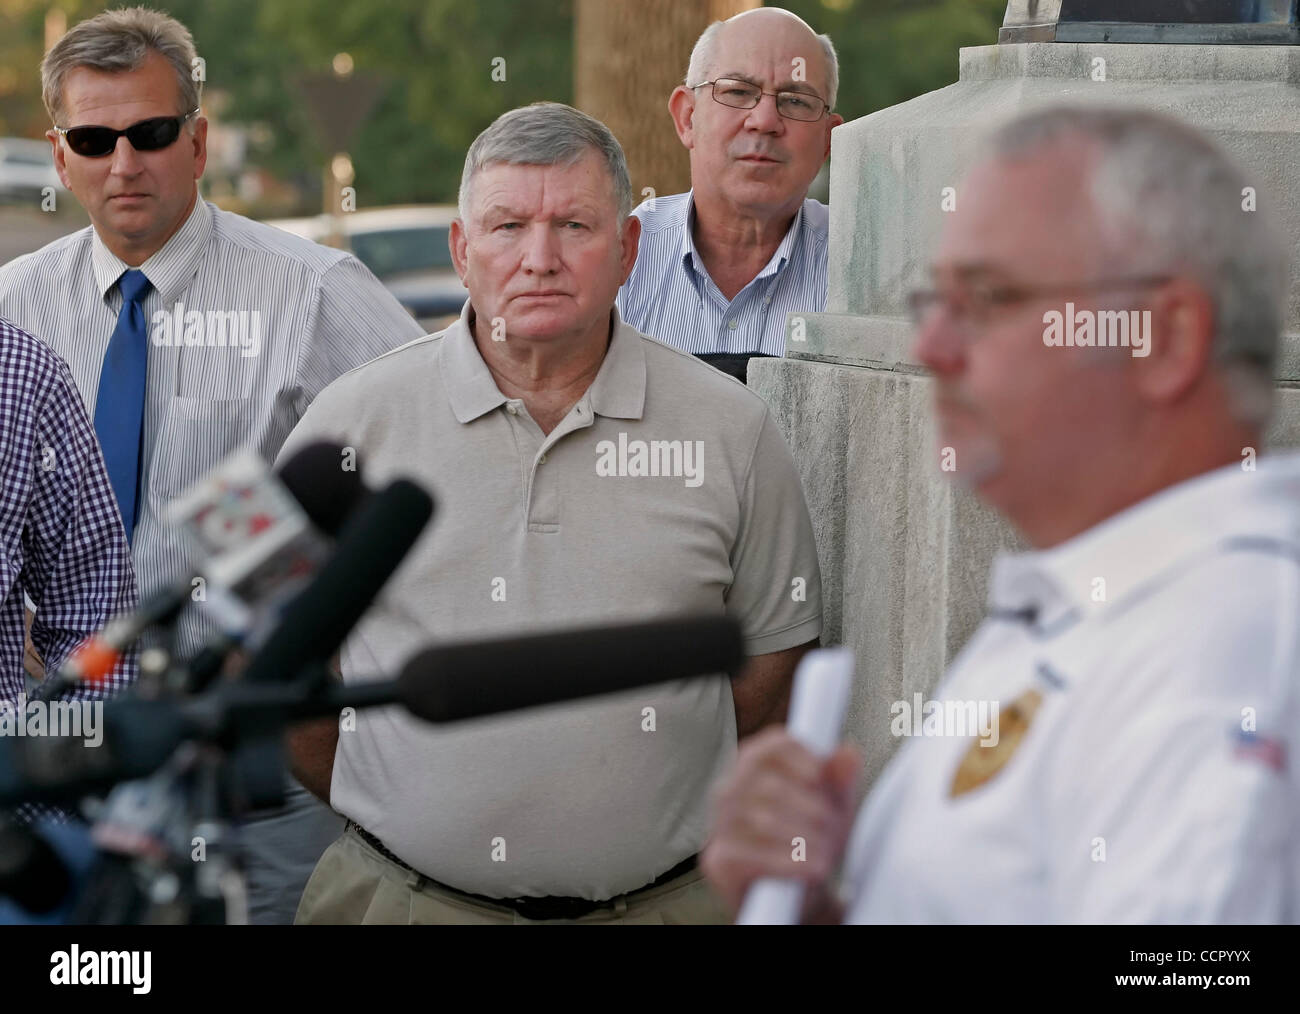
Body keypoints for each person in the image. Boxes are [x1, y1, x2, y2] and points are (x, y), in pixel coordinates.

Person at [701, 105, 1300, 923]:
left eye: (988, 298)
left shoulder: (1223, 656)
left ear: (1165, 337)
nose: (931, 347)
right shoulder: (1101, 603)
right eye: (933, 301)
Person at [280, 101, 824, 924]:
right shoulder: (351, 422)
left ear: (627, 251)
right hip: (402, 906)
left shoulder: (731, 429)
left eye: (574, 225)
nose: (539, 259)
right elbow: (293, 682)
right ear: (463, 251)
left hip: (667, 907)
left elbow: (768, 676)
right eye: (507, 227)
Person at [0, 7, 425, 924]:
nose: (125, 162)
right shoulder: (15, 307)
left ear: (198, 142)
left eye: (151, 133)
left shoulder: (314, 293)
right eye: (94, 137)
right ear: (59, 152)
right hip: (55, 753)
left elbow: (425, 482)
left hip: (250, 764)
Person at [616, 7, 841, 382]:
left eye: (796, 100)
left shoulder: (868, 275)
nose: (765, 121)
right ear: (687, 117)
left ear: (827, 140)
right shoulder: (615, 262)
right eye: (738, 91)